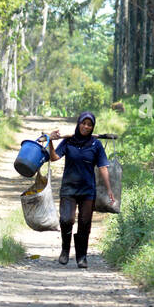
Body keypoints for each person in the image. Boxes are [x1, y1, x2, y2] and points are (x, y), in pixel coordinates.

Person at [48, 111, 114, 269]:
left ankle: (81, 256)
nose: (86, 127)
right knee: (66, 220)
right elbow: (54, 157)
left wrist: (109, 189)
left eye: (89, 125)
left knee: (85, 223)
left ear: (92, 127)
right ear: (78, 124)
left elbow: (103, 167)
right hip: (69, 188)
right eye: (83, 123)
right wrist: (50, 141)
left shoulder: (95, 145)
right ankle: (65, 250)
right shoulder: (68, 141)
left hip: (87, 190)